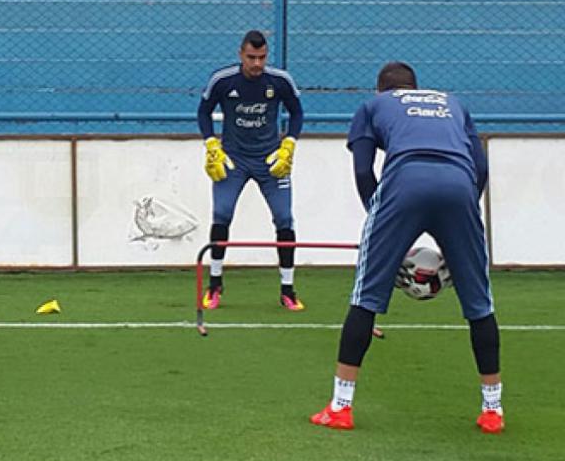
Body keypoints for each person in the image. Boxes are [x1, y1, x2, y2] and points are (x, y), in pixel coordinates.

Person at [310, 61, 503, 434]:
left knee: (365, 297)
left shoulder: (373, 106)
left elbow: (364, 170)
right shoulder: (453, 103)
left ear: (382, 89)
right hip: (460, 185)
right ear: (416, 86)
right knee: (479, 303)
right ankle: (493, 409)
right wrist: (459, 220)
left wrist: (380, 220)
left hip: (405, 182)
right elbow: (480, 167)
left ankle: (340, 406)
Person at [197, 29, 305, 311]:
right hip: (233, 160)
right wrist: (211, 144)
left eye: (262, 57)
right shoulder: (222, 81)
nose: (257, 63)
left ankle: (288, 290)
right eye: (251, 57)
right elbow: (203, 112)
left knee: (284, 218)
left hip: (270, 160)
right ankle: (215, 285)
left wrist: (289, 144)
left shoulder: (280, 81)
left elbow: (297, 112)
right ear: (240, 55)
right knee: (222, 214)